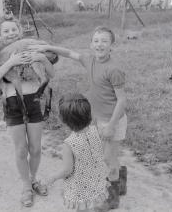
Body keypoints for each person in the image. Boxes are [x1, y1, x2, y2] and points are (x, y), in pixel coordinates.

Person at [29, 26, 127, 209]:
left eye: (104, 41)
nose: (100, 45)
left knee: (107, 159)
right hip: (97, 118)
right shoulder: (89, 60)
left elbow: (122, 101)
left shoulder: (114, 69)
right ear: (91, 44)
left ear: (112, 45)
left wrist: (112, 125)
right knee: (107, 155)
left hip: (113, 120)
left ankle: (112, 199)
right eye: (96, 41)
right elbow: (68, 53)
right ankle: (120, 181)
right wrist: (48, 48)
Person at [0, 16, 55, 207]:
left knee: (35, 148)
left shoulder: (30, 48)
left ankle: (33, 179)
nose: (10, 33)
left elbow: (52, 73)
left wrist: (41, 58)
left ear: (20, 30)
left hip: (33, 102)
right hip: (12, 103)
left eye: (13, 29)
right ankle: (26, 186)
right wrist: (10, 62)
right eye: (5, 31)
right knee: (21, 149)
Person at [49, 93, 109, 212]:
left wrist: (53, 177)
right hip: (96, 179)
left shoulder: (69, 144)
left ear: (63, 120)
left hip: (81, 188)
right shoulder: (95, 130)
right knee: (93, 205)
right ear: (88, 114)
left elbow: (67, 170)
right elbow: (89, 151)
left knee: (83, 208)